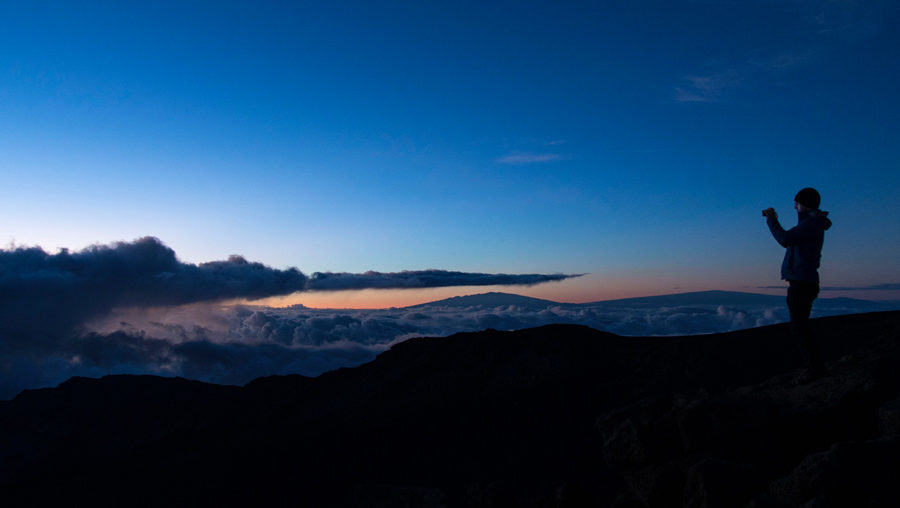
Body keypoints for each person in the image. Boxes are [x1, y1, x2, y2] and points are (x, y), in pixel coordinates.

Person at [763, 187, 832, 384]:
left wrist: (771, 220)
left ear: (805, 203)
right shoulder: (811, 224)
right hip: (803, 281)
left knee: (800, 328)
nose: (794, 206)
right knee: (801, 327)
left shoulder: (812, 224)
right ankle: (815, 367)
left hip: (802, 283)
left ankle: (816, 369)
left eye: (797, 203)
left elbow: (785, 239)